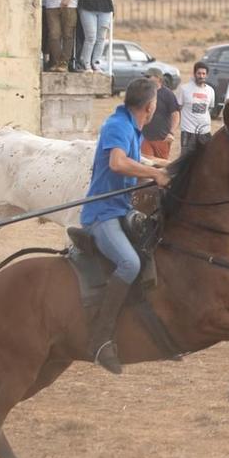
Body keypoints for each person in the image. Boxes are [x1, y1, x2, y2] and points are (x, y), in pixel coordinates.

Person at [81, 77, 171, 374]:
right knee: (130, 264)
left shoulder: (131, 128)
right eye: (156, 102)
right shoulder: (117, 126)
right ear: (150, 106)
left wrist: (165, 171)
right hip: (102, 213)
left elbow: (136, 170)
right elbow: (119, 164)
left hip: (120, 209)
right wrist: (153, 173)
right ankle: (100, 338)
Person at [140, 68, 181, 159]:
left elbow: (176, 114)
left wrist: (171, 132)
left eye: (148, 77)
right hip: (145, 137)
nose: (146, 79)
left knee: (160, 166)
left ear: (158, 78)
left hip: (162, 138)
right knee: (146, 165)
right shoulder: (144, 93)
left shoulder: (168, 94)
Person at [177, 63, 216, 159]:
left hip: (205, 131)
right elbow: (178, 108)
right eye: (199, 73)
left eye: (203, 74)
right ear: (194, 74)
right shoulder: (184, 89)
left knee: (206, 158)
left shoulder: (210, 90)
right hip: (188, 131)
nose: (201, 76)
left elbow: (210, 108)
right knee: (186, 160)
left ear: (207, 75)